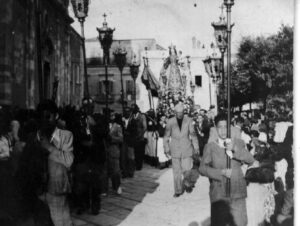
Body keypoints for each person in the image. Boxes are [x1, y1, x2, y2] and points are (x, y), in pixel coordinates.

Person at [199, 113, 255, 226]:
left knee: (240, 223)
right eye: (220, 127)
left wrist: (234, 149)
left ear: (230, 128)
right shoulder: (210, 147)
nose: (223, 130)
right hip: (219, 194)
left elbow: (250, 159)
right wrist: (220, 173)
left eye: (226, 127)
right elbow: (202, 168)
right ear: (216, 128)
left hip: (237, 192)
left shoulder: (238, 143)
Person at [163, 102, 199, 197]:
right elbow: (166, 136)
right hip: (174, 149)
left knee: (187, 169)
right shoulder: (170, 122)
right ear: (175, 112)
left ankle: (187, 182)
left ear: (184, 112)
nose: (179, 114)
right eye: (178, 113)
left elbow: (193, 135)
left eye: (181, 113)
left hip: (186, 148)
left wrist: (196, 147)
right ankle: (178, 190)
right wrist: (166, 148)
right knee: (176, 171)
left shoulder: (189, 120)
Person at [127, 104, 147, 170]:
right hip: (133, 137)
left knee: (140, 152)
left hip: (140, 138)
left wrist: (140, 135)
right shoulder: (131, 116)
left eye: (133, 109)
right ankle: (135, 164)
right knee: (135, 152)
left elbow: (145, 127)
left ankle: (139, 165)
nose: (132, 110)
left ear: (137, 109)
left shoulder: (142, 116)